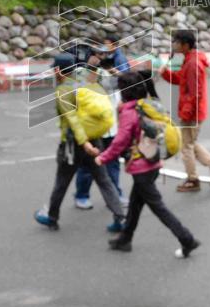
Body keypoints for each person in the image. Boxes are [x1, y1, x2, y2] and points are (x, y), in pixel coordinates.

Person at [97, 71, 201, 258]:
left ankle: (187, 239)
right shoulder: (148, 106)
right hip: (153, 162)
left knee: (158, 207)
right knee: (136, 204)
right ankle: (125, 239)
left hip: (142, 167)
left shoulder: (130, 112)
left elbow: (120, 141)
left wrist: (103, 158)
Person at [34, 53, 126, 232]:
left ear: (59, 71)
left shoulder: (64, 90)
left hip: (74, 145)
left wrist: (84, 144)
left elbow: (73, 120)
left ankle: (51, 217)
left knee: (62, 181)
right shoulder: (84, 81)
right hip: (95, 139)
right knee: (104, 180)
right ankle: (120, 217)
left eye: (54, 69)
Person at [160, 30, 210, 192]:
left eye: (176, 42)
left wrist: (186, 113)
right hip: (193, 111)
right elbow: (181, 80)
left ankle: (193, 179)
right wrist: (165, 73)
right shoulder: (189, 60)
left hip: (192, 113)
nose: (174, 45)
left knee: (186, 146)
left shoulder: (193, 64)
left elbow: (194, 93)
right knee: (189, 142)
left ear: (185, 45)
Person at [74, 52, 124, 210]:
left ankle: (116, 194)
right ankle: (82, 195)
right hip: (93, 129)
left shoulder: (107, 72)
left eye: (103, 55)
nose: (100, 58)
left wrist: (113, 70)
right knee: (88, 165)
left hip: (112, 127)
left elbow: (128, 82)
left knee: (113, 163)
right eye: (96, 55)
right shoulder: (79, 75)